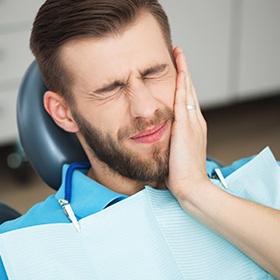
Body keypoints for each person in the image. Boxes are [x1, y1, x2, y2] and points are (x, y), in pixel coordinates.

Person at [0, 0, 280, 279]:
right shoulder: (17, 252)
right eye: (110, 89)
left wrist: (198, 191)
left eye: (153, 72)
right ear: (64, 113)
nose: (146, 109)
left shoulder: (263, 183)